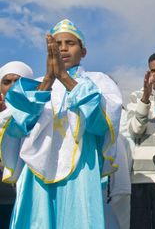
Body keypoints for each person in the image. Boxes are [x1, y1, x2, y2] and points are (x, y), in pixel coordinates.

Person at [0, 19, 122, 228]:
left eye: (70, 43)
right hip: (37, 171)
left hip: (81, 167)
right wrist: (48, 79)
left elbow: (102, 122)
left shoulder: (98, 81)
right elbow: (17, 125)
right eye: (57, 44)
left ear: (83, 52)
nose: (63, 48)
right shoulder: (36, 84)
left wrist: (65, 78)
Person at [123, 52, 155, 229]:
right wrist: (145, 99)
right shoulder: (137, 96)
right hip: (140, 178)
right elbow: (135, 130)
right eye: (153, 71)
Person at [0, 62, 34, 227]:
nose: (13, 86)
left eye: (18, 81)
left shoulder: (43, 113)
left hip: (29, 200)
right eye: (7, 82)